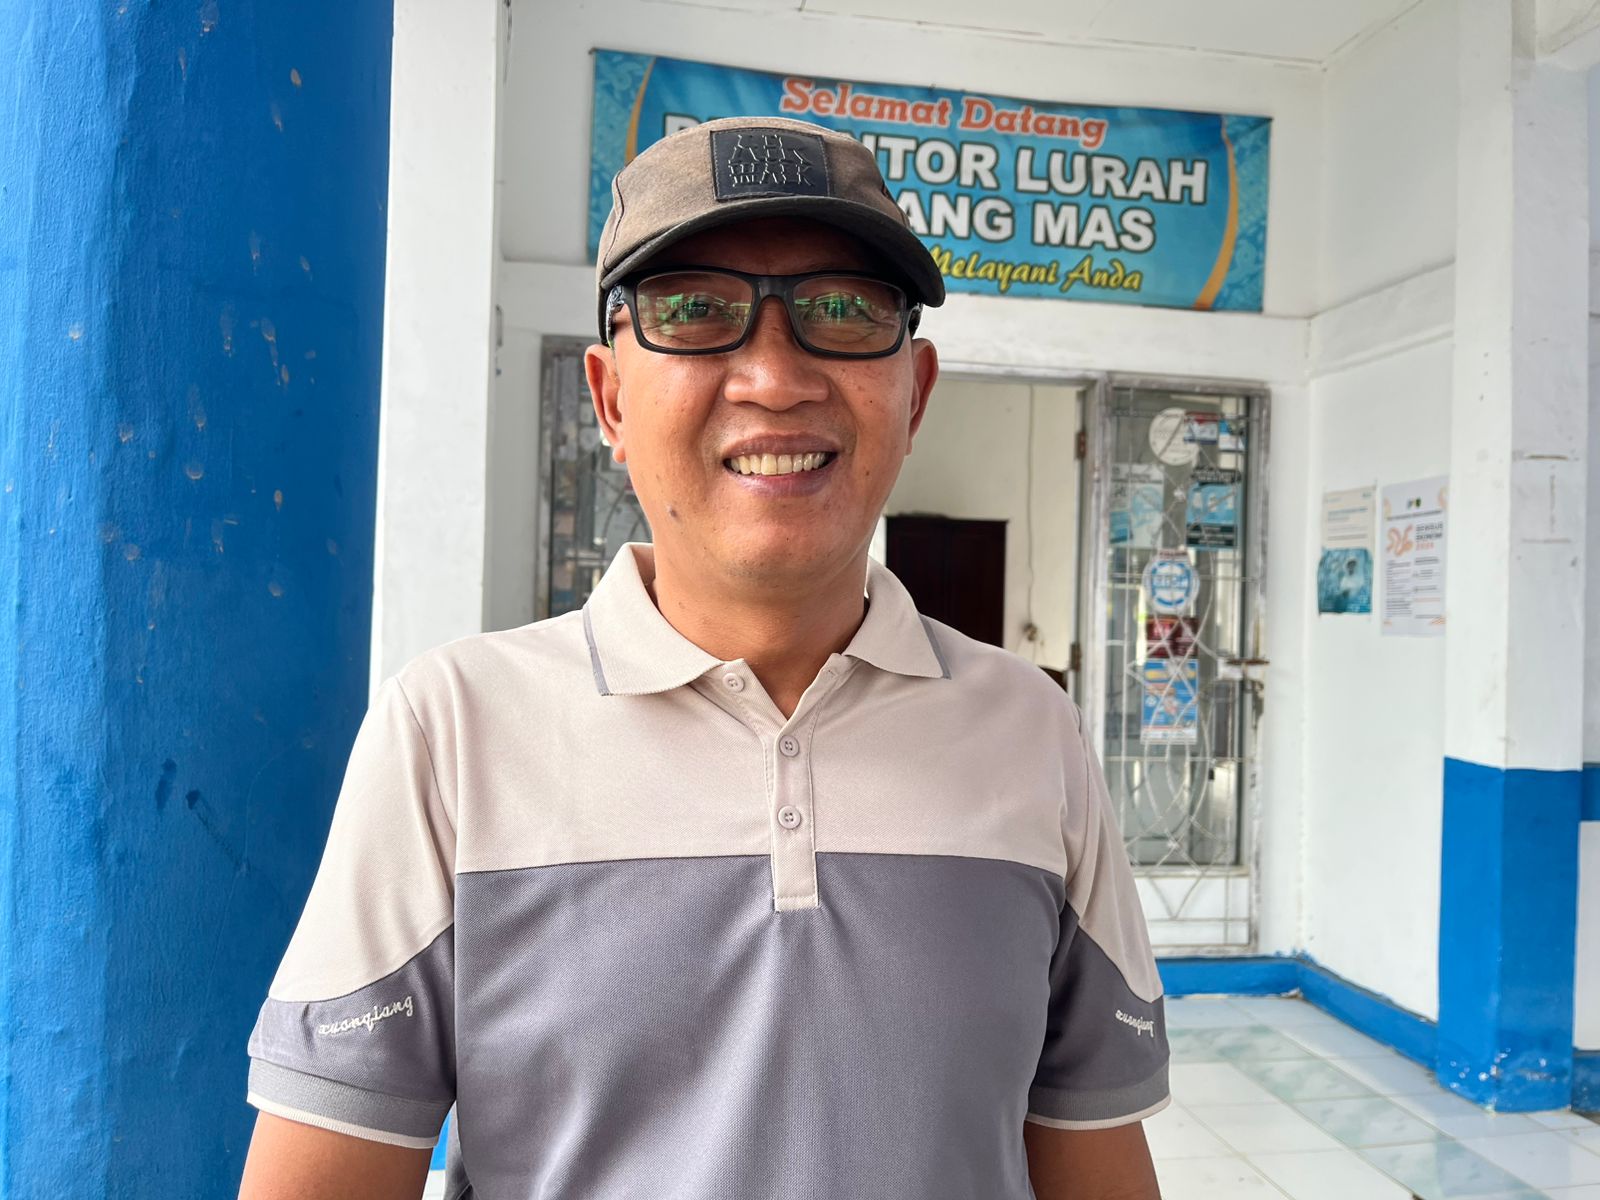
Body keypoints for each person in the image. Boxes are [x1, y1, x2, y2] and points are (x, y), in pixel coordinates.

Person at [237, 115, 1169, 1200]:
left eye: (842, 310)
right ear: (610, 399)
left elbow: (1094, 1161)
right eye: (694, 311)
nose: (774, 378)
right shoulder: (452, 731)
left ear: (913, 394)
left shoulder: (1028, 729)